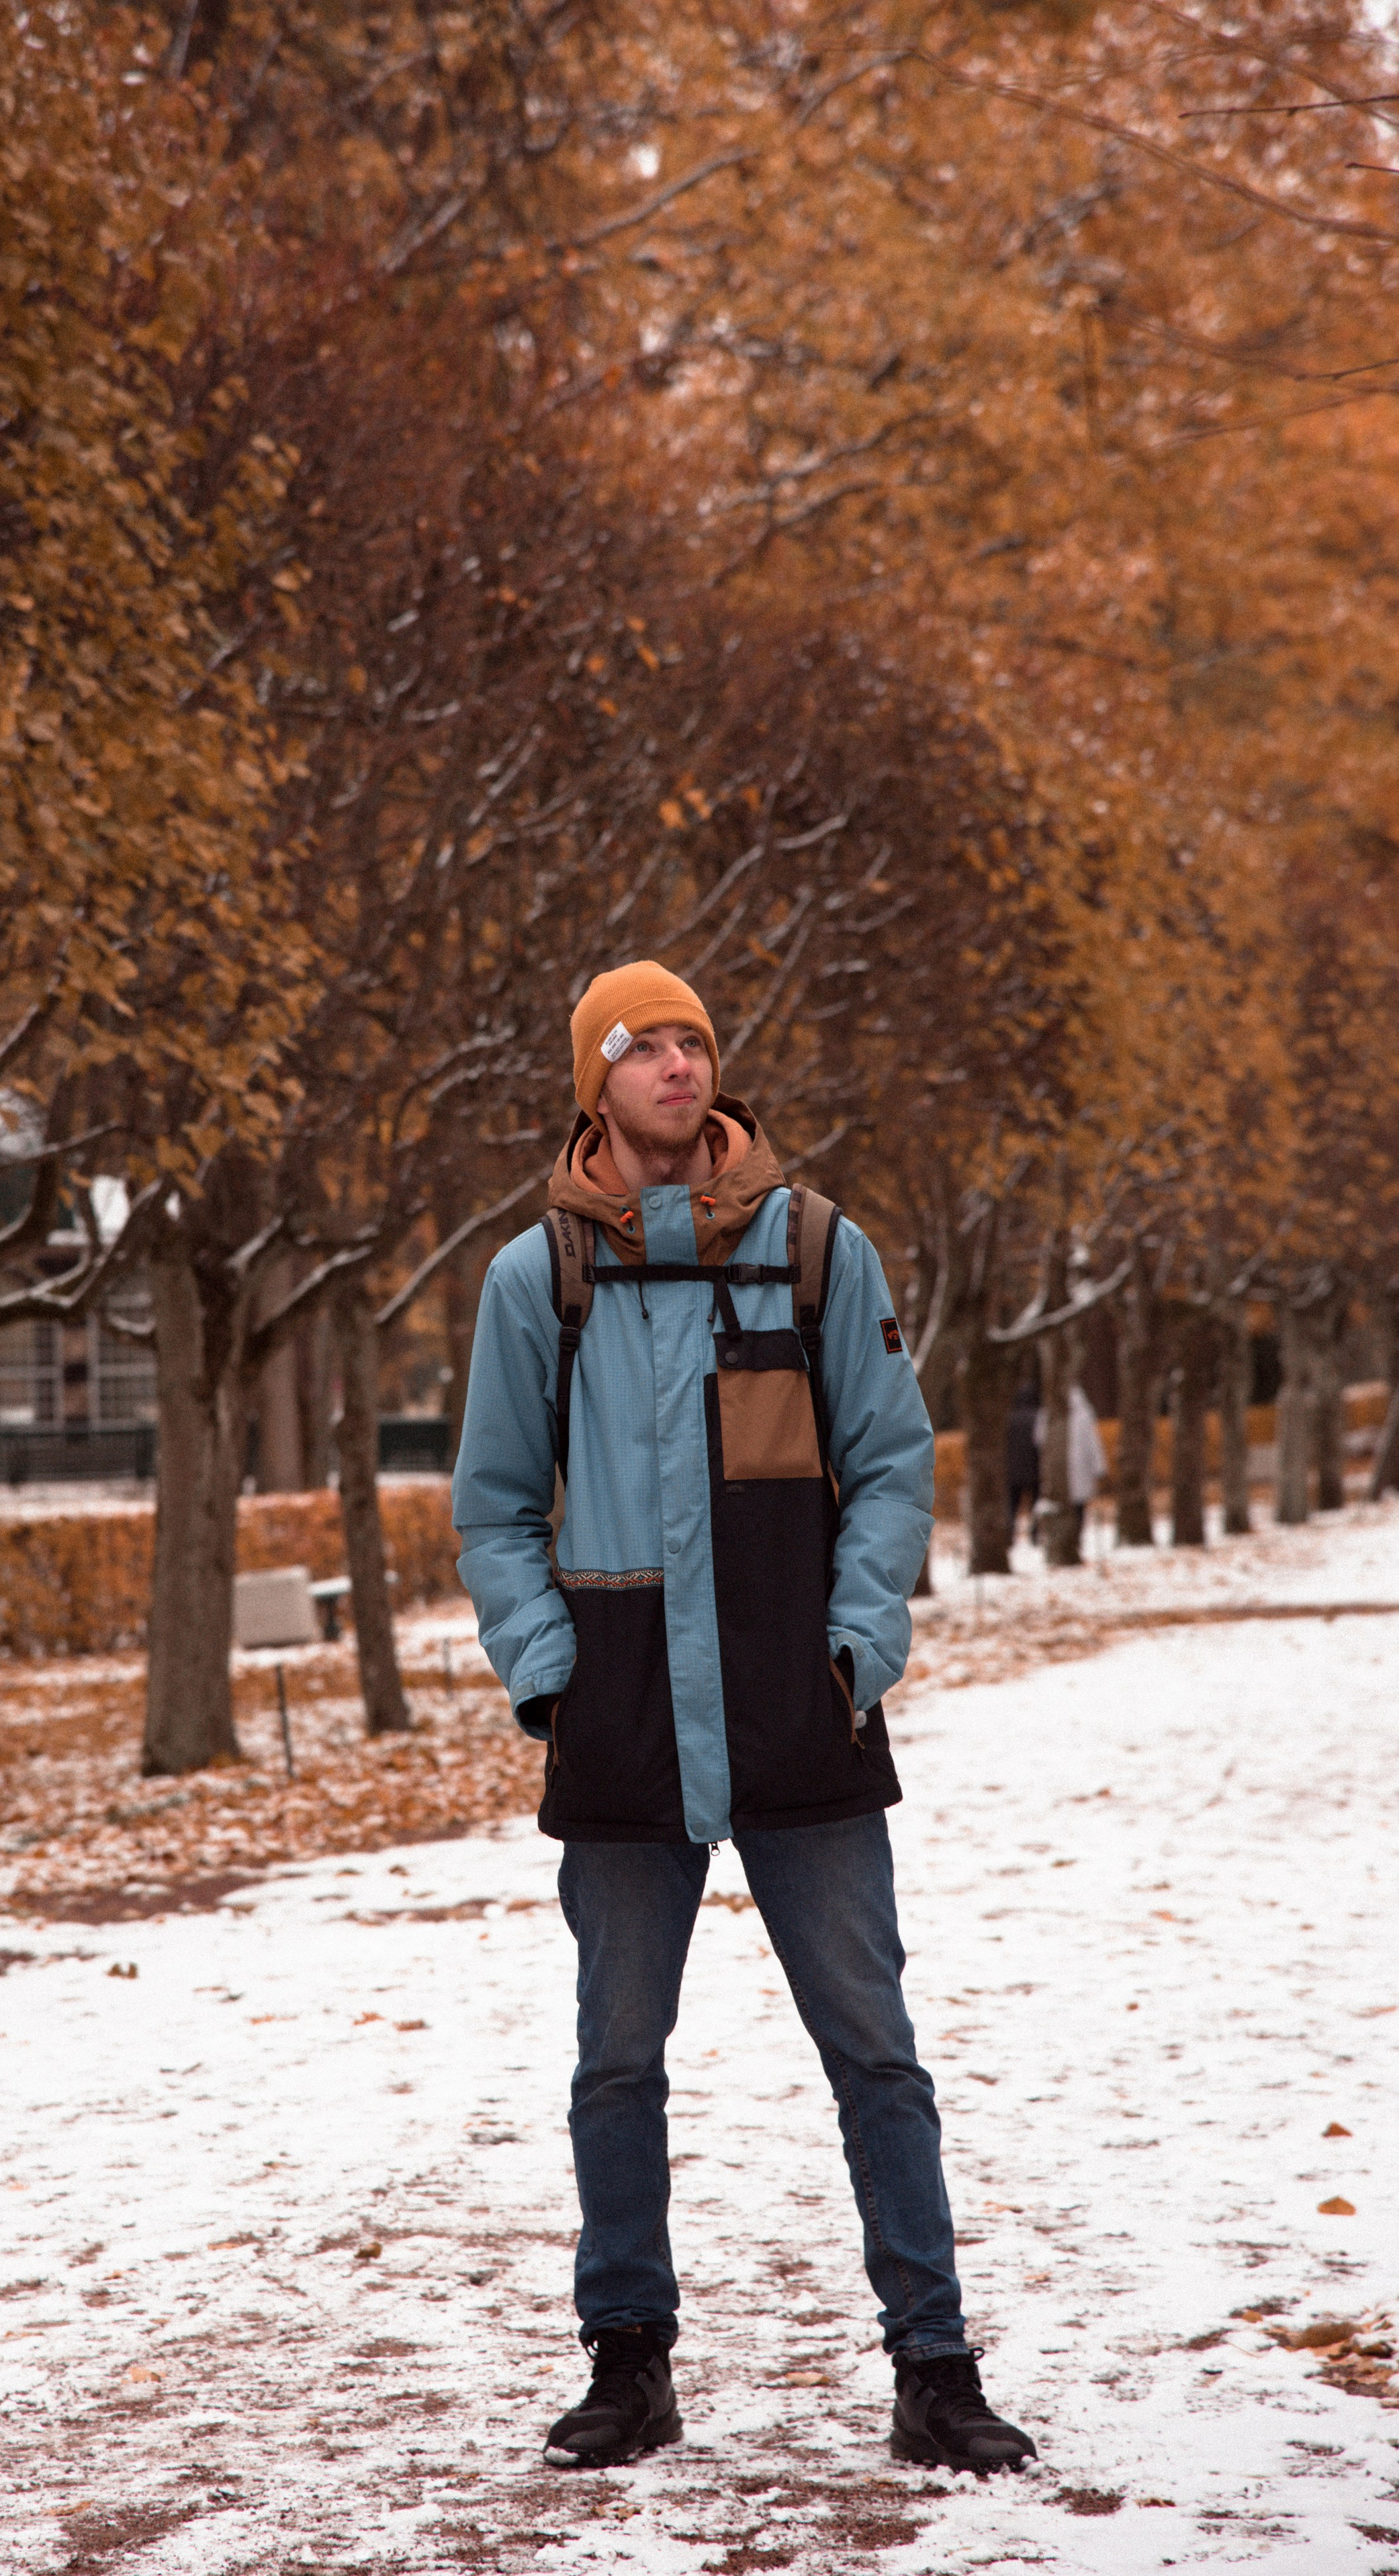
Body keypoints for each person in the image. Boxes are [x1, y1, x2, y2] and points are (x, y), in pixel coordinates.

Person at [451, 961, 1036, 2480]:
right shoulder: (540, 1279)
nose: (673, 1060)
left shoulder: (818, 1253)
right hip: (623, 1708)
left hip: (799, 1702)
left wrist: (856, 1638)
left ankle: (934, 2365)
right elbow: (495, 1506)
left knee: (874, 2053)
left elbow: (891, 1462)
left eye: (693, 1037)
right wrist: (547, 1670)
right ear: (594, 1077)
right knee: (614, 2061)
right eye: (640, 1042)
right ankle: (627, 2365)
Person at [1035, 1383, 1108, 1554]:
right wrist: (1099, 1469)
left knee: (1061, 1506)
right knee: (1078, 1507)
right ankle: (1075, 1540)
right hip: (1081, 1471)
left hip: (1058, 1470)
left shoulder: (1048, 1413)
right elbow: (1093, 1445)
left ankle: (1061, 1542)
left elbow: (1039, 1439)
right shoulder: (1084, 1415)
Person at [1005, 1386, 1041, 1545]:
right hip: (1035, 1471)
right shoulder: (1038, 1418)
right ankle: (1035, 1536)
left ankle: (1010, 1537)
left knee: (1013, 1507)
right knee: (1036, 1505)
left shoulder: (1009, 1419)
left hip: (1013, 1472)